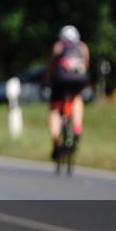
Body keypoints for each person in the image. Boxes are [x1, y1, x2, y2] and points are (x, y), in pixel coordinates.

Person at [44, 25, 90, 158]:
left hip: (61, 80)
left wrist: (46, 81)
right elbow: (86, 66)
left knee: (54, 110)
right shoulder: (82, 47)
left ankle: (56, 142)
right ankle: (77, 128)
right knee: (77, 98)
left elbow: (52, 67)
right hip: (79, 79)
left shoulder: (59, 46)